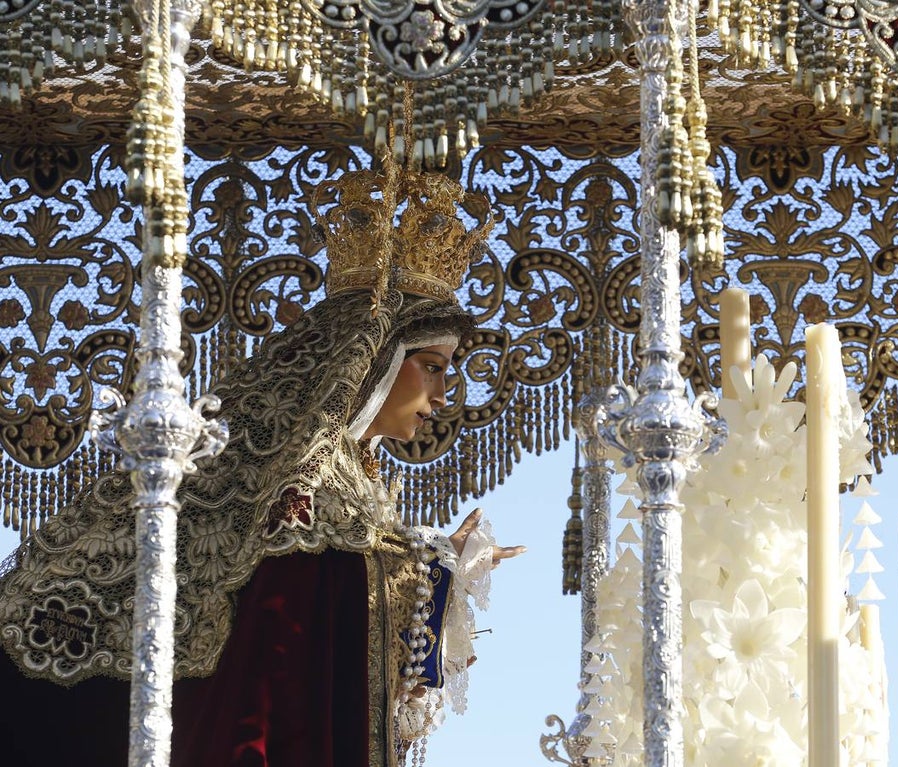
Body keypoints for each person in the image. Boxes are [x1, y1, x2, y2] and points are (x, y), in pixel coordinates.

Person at [0, 167, 524, 767]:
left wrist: (438, 569)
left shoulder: (351, 483)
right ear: (374, 361)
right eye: (430, 365)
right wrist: (438, 567)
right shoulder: (303, 484)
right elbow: (292, 641)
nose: (440, 395)